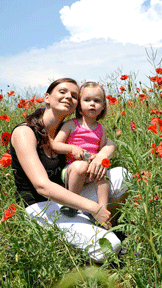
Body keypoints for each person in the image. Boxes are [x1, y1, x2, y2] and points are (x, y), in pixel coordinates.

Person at [9, 78, 128, 262]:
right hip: (42, 207)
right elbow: (42, 187)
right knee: (111, 246)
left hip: (68, 197)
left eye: (74, 95)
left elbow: (109, 143)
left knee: (123, 175)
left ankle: (91, 221)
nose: (68, 97)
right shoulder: (25, 132)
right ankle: (90, 224)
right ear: (47, 97)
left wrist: (102, 156)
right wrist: (93, 207)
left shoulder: (62, 131)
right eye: (62, 92)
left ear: (77, 106)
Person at [51, 82, 111, 229]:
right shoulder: (72, 124)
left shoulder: (101, 129)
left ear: (103, 106)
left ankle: (103, 210)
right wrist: (72, 148)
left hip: (90, 170)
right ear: (79, 105)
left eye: (97, 101)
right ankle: (71, 203)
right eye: (87, 100)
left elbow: (102, 150)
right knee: (80, 166)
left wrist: (99, 162)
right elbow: (56, 145)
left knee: (104, 174)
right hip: (71, 170)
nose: (92, 104)